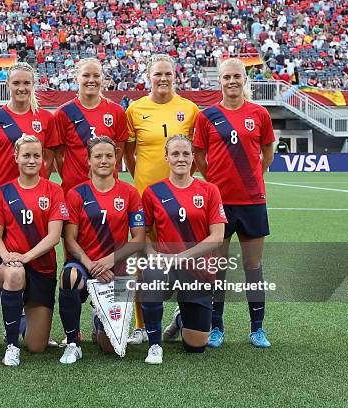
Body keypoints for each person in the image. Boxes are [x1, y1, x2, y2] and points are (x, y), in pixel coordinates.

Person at [193, 58, 275, 349]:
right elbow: (199, 156)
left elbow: (267, 152)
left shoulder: (259, 113)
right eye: (226, 77)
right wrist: (214, 182)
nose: (231, 81)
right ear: (219, 81)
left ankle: (257, 329)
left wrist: (252, 178)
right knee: (218, 267)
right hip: (220, 205)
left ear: (244, 80)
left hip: (252, 201)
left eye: (236, 77)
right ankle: (217, 327)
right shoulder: (208, 116)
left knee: (253, 267)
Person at [124, 54, 200, 345]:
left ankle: (183, 315)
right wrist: (142, 181)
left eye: (168, 73)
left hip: (180, 200)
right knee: (141, 262)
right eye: (157, 74)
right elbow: (129, 156)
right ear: (148, 76)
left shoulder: (190, 109)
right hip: (145, 197)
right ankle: (142, 326)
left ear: (175, 76)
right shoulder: (135, 109)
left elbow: (194, 154)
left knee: (182, 259)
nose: (163, 78)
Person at [140, 135, 227, 364]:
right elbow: (145, 233)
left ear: (193, 158)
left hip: (198, 270)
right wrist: (152, 256)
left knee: (195, 346)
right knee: (151, 274)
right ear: (166, 157)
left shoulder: (209, 190)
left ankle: (180, 318)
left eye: (186, 154)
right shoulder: (152, 192)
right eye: (175, 154)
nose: (181, 158)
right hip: (165, 268)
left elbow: (217, 237)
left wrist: (178, 258)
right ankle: (155, 345)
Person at [60, 136, 145, 364]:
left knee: (109, 347)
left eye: (109, 155)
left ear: (116, 158)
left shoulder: (129, 193)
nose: (104, 160)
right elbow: (69, 240)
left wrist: (108, 261)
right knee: (70, 275)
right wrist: (92, 266)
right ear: (88, 160)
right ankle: (72, 343)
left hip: (116, 266)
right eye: (98, 156)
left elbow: (138, 239)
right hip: (85, 265)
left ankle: (99, 320)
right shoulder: (76, 194)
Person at [0, 135, 69, 366]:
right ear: (16, 157)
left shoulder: (53, 190)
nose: (31, 160)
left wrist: (25, 257)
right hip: (10, 266)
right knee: (14, 274)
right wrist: (7, 258)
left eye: (36, 155)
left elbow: (54, 236)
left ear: (43, 158)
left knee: (37, 346)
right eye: (26, 155)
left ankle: (21, 319)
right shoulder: (3, 191)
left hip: (41, 267)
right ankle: (12, 346)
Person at [0, 62, 60, 191]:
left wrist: (38, 186)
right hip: (4, 193)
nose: (22, 88)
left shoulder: (46, 118)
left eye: (26, 83)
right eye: (16, 83)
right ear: (7, 84)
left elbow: (48, 159)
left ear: (33, 84)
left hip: (36, 194)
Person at [54, 58, 128, 194]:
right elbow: (58, 155)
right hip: (73, 190)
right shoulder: (63, 112)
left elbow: (119, 149)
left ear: (103, 79)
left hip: (107, 190)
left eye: (96, 76)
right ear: (76, 78)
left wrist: (106, 174)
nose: (91, 80)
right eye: (86, 75)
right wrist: (70, 178)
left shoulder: (116, 111)